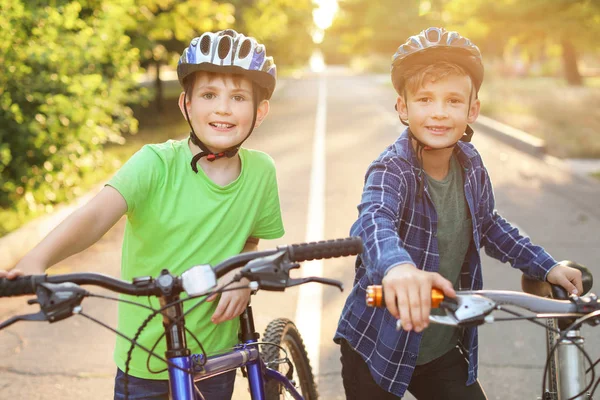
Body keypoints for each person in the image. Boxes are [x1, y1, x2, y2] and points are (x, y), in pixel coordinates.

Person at [0, 29, 284, 400]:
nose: (223, 108)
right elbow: (95, 217)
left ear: (259, 111)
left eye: (239, 97)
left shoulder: (261, 172)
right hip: (145, 356)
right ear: (186, 104)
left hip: (216, 353)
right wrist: (37, 260)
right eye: (209, 95)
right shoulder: (154, 164)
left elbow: (251, 235)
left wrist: (240, 273)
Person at [333, 27, 583, 400]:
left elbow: (490, 224)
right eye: (425, 99)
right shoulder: (392, 169)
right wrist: (399, 269)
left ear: (472, 110)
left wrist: (545, 266)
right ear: (403, 107)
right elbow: (373, 221)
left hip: (442, 345)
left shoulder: (470, 163)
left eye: (453, 101)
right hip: (377, 346)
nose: (439, 113)